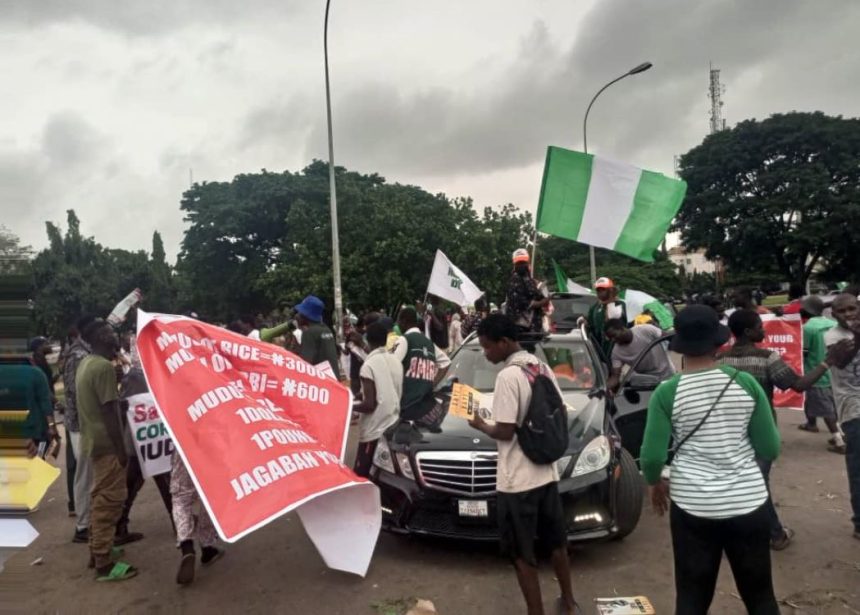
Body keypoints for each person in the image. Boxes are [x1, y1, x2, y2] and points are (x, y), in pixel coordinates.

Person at [640, 305, 781, 614]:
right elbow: (770, 448)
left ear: (679, 345)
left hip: (693, 508)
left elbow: (650, 458)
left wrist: (655, 483)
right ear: (718, 343)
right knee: (760, 596)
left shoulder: (667, 393)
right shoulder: (745, 384)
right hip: (749, 504)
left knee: (692, 597)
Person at [467, 314, 580, 615]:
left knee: (521, 552)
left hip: (517, 480)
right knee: (557, 543)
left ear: (504, 343)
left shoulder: (508, 376)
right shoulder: (539, 365)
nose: (486, 353)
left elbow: (504, 431)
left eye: (488, 347)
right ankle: (569, 602)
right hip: (546, 472)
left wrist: (480, 425)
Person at [718, 308, 843, 550]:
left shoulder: (719, 360)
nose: (763, 330)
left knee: (737, 483)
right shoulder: (767, 358)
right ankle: (775, 534)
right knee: (758, 484)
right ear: (747, 331)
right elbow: (798, 385)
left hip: (728, 433)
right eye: (758, 326)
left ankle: (738, 533)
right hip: (760, 432)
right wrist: (827, 363)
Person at [75, 320, 138, 581]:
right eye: (111, 332)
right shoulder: (102, 367)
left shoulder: (87, 363)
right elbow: (109, 411)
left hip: (93, 440)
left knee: (100, 495)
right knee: (110, 502)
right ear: (101, 336)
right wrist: (121, 449)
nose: (115, 336)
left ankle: (97, 550)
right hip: (108, 443)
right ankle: (103, 563)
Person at [824, 293, 860, 540]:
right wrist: (857, 337)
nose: (848, 314)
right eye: (842, 311)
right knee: (857, 467)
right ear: (833, 314)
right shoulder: (832, 336)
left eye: (852, 309)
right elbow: (842, 362)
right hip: (852, 406)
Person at [351, 322, 403, 477]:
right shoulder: (396, 361)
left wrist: (350, 405)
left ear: (367, 340)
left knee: (361, 475)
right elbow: (387, 388)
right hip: (392, 425)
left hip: (373, 430)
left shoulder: (369, 365)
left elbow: (369, 404)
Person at [798, 295, 845, 451]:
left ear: (806, 310)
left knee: (826, 411)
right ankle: (840, 433)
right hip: (836, 373)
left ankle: (839, 442)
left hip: (817, 375)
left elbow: (803, 354)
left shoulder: (807, 328)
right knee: (833, 406)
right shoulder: (832, 323)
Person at [64, 314, 96, 541]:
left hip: (84, 423)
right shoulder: (78, 356)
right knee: (84, 475)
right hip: (81, 424)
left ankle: (89, 521)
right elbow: (76, 392)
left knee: (89, 473)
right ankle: (83, 526)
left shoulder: (85, 353)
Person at [392, 307, 448, 422]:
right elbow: (446, 363)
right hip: (426, 407)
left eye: (398, 321)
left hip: (407, 405)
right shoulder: (429, 343)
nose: (398, 325)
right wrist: (432, 383)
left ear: (403, 321)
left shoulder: (404, 340)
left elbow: (391, 367)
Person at [604, 320, 675, 394]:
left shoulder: (646, 330)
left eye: (614, 335)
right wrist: (603, 388)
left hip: (668, 373)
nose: (613, 340)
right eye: (610, 338)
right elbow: (615, 377)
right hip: (646, 383)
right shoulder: (616, 353)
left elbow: (669, 338)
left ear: (622, 328)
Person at [294, 295, 342, 379]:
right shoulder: (326, 329)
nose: (297, 315)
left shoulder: (309, 333)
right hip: (333, 380)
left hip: (321, 382)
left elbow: (305, 363)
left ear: (306, 315)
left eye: (300, 313)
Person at [505, 248, 548, 333]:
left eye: (523, 262)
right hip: (521, 330)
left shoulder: (530, 280)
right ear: (514, 264)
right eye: (519, 263)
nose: (522, 265)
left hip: (534, 327)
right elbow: (525, 304)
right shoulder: (515, 280)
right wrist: (543, 301)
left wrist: (543, 292)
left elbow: (538, 296)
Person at [585, 277, 627, 364]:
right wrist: (584, 322)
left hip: (616, 350)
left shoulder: (620, 305)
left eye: (603, 290)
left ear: (610, 290)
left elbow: (624, 326)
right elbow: (590, 325)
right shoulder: (595, 308)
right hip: (598, 350)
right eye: (598, 290)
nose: (600, 293)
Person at [228, 314, 293, 343]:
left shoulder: (255, 335)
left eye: (241, 324)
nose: (240, 326)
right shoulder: (249, 335)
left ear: (247, 325)